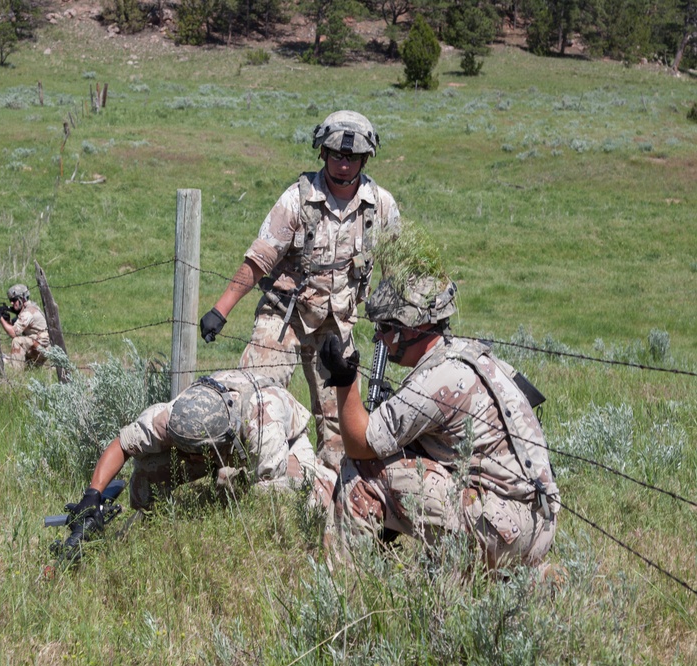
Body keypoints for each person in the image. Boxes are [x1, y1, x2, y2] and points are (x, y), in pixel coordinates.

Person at [199, 110, 401, 469]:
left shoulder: (381, 206)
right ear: (322, 153)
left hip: (338, 326)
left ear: (365, 158)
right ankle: (241, 479)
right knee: (252, 399)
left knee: (341, 425)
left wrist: (396, 327)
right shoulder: (297, 200)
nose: (343, 164)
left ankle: (330, 493)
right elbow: (260, 257)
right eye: (337, 154)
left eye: (352, 157)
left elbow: (394, 271)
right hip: (284, 316)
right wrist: (221, 308)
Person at [318, 275, 560, 568]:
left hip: (507, 530)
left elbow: (360, 444)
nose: (378, 338)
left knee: (362, 469)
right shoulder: (469, 353)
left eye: (385, 328)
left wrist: (346, 381)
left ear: (413, 328)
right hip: (535, 521)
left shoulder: (436, 381)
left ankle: (343, 583)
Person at [65, 370, 337, 538]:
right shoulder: (172, 417)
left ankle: (329, 485)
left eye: (197, 454)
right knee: (148, 468)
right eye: (186, 452)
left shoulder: (263, 425)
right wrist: (92, 495)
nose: (190, 460)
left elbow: (266, 484)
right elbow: (123, 445)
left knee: (276, 494)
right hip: (221, 443)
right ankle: (149, 526)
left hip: (284, 442)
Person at [0, 283, 50, 370]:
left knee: (17, 341)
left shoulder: (28, 312)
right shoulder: (30, 308)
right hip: (40, 345)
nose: (11, 303)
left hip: (42, 347)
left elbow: (13, 333)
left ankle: (16, 373)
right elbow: (16, 328)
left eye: (14, 300)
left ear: (21, 299)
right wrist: (7, 320)